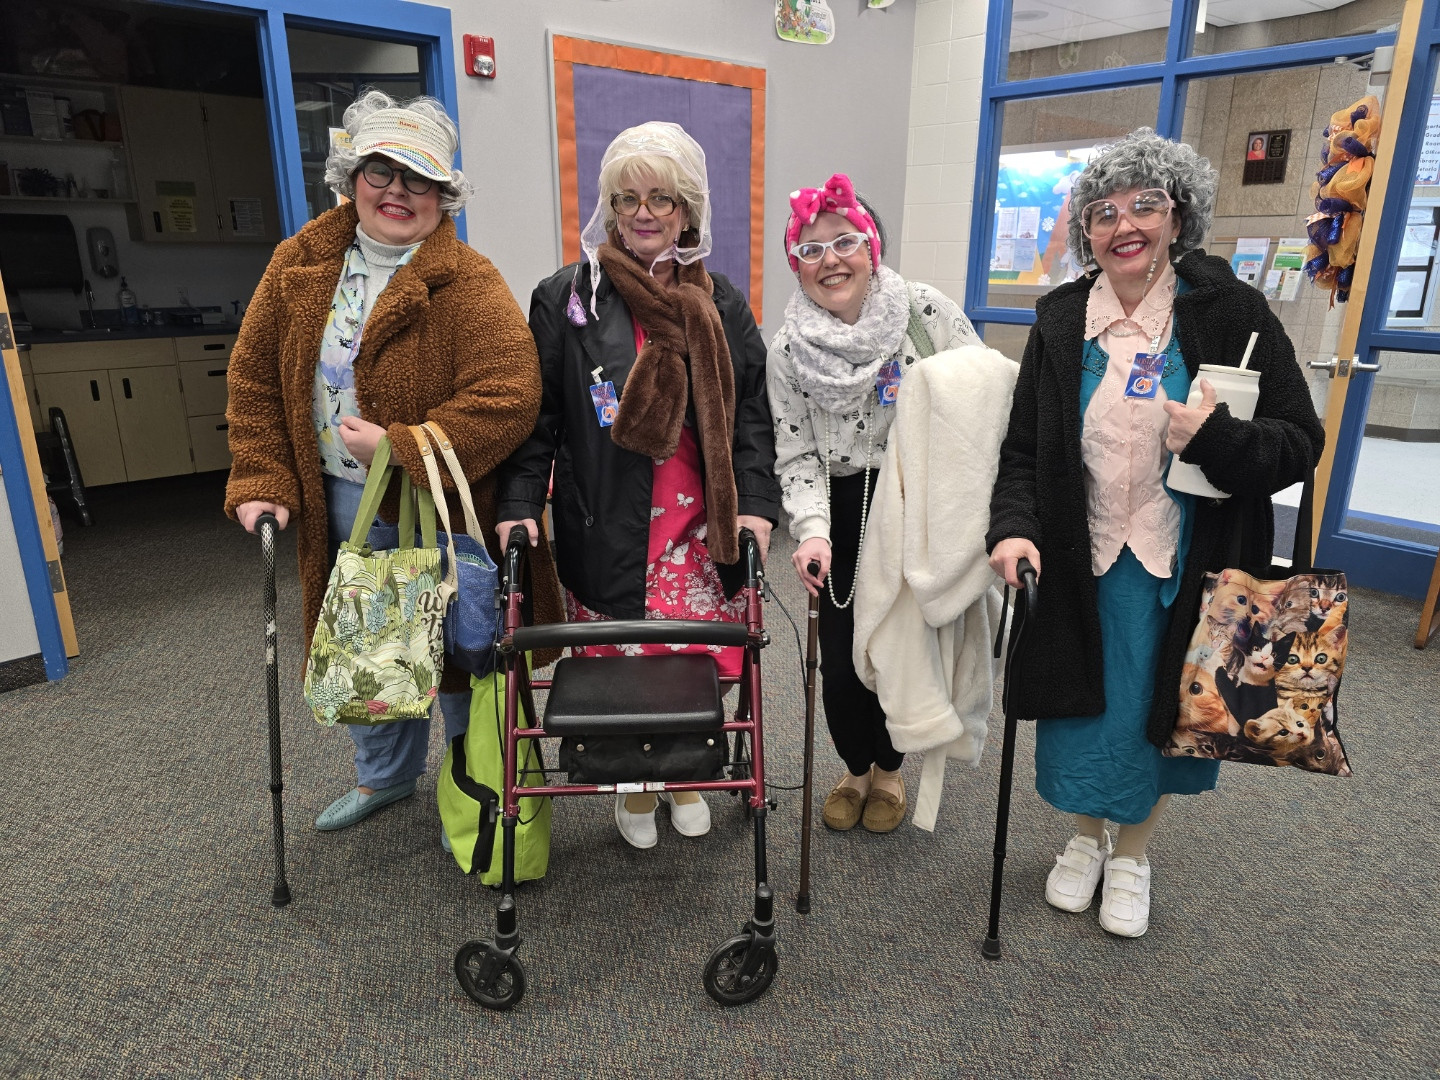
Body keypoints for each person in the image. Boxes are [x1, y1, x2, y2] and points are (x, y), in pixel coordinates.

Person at [986, 129, 1325, 937]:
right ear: (1086, 231)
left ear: (1178, 215)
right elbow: (1024, 451)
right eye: (1102, 213)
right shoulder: (1061, 321)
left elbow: (1299, 440)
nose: (1124, 224)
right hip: (1083, 558)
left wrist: (1216, 439)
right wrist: (1013, 527)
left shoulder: (1232, 312)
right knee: (1083, 709)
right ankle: (1084, 838)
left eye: (1145, 204)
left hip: (1188, 561)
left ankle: (1133, 852)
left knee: (1164, 710)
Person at [225, 90, 560, 837]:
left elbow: (511, 394)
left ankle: (474, 784)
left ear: (444, 194)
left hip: (444, 508)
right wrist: (261, 477)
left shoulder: (468, 280)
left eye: (419, 178)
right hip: (340, 502)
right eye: (381, 171)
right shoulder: (298, 264)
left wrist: (404, 446)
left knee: (460, 651)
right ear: (351, 178)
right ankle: (384, 779)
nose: (398, 191)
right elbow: (254, 381)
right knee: (371, 646)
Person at [495, 121, 780, 850]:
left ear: (687, 210)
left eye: (661, 198)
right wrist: (520, 503)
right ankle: (633, 785)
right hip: (607, 520)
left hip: (699, 524)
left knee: (691, 659)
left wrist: (756, 506)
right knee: (620, 663)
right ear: (611, 208)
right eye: (627, 199)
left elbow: (752, 417)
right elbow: (539, 418)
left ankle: (683, 775)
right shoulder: (568, 297)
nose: (644, 213)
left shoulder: (721, 303)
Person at [767, 173, 983, 834]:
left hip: (913, 501)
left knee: (902, 648)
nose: (830, 260)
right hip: (836, 508)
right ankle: (855, 766)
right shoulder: (788, 350)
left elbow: (978, 391)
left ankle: (889, 769)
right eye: (810, 250)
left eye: (844, 242)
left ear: (872, 247)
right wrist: (810, 529)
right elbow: (796, 452)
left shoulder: (922, 310)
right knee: (840, 662)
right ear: (797, 267)